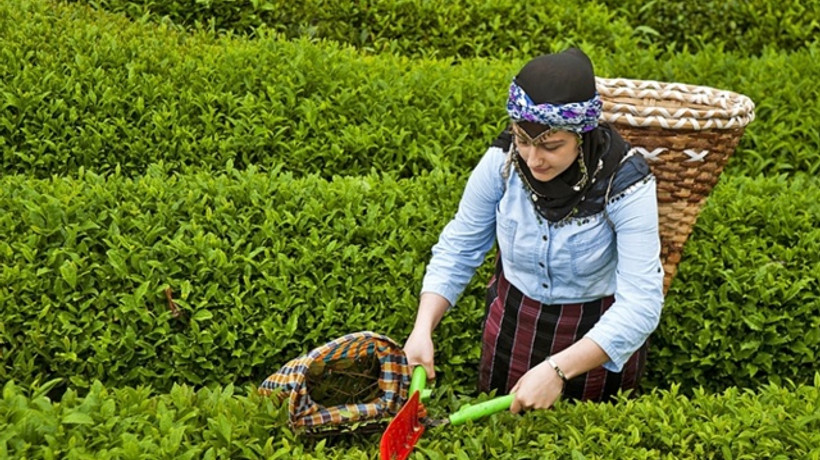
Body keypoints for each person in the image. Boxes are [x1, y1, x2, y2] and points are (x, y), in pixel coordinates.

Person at [403, 48, 664, 414]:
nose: (533, 159)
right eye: (523, 140)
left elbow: (642, 304)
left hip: (594, 338)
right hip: (514, 325)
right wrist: (422, 328)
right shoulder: (502, 163)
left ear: (582, 135)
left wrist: (558, 370)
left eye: (551, 146)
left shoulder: (625, 183)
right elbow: (459, 248)